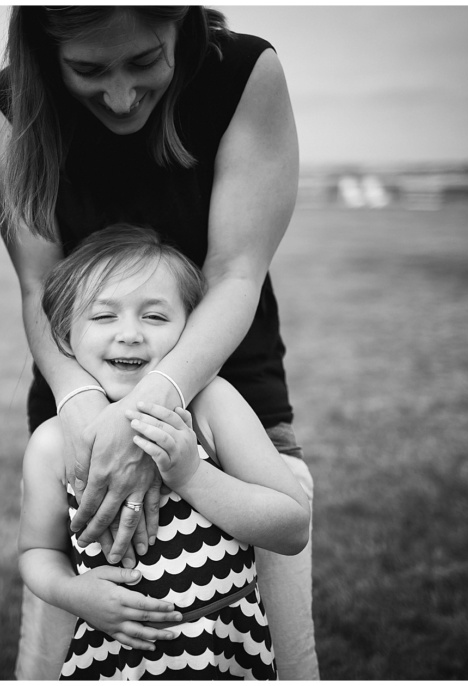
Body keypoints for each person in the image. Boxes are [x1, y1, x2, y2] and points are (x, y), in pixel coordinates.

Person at [0, 6, 319, 680]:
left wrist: (153, 415)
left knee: (288, 659)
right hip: (78, 407)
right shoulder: (15, 103)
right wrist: (84, 410)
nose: (119, 95)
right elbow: (38, 285)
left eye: (143, 61)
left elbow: (235, 272)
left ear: (180, 22)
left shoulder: (241, 75)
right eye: (87, 69)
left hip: (229, 407)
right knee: (46, 664)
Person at [19, 224, 311, 679]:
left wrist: (193, 475)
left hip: (225, 651)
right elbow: (37, 550)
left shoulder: (212, 408)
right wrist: (72, 593)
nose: (130, 334)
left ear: (191, 328)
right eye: (103, 316)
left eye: (155, 317)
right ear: (64, 333)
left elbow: (292, 527)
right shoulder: (54, 443)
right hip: (115, 660)